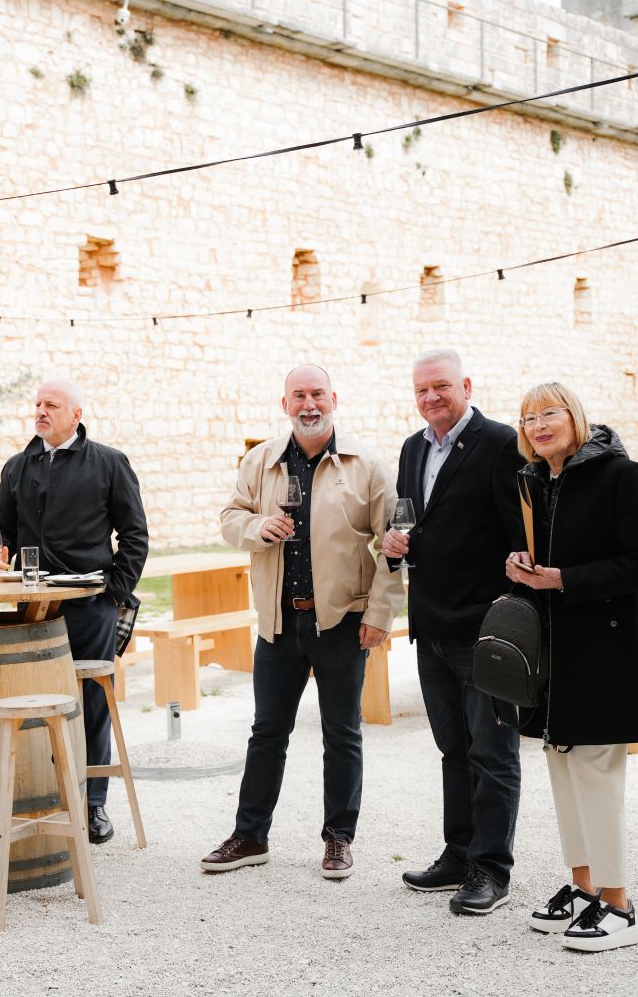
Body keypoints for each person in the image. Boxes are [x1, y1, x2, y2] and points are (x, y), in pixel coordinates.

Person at [201, 364, 404, 880]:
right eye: (299, 395)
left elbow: (395, 544)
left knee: (342, 733)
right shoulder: (260, 460)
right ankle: (250, 836)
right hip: (278, 622)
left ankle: (339, 837)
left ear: (334, 399)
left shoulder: (368, 465)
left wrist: (380, 613)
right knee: (266, 732)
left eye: (317, 394)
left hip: (342, 621)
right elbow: (229, 518)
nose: (309, 404)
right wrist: (256, 525)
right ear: (285, 403)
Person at [505, 382, 638, 952]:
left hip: (606, 651)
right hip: (556, 650)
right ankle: (584, 889)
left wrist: (563, 580)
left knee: (596, 772)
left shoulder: (623, 476)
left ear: (575, 416)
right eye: (528, 418)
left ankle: (620, 905)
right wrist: (524, 563)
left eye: (548, 413)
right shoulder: (535, 481)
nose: (537, 426)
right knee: (562, 764)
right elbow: (550, 559)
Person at [380, 348, 525, 915]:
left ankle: (491, 869)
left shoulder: (502, 443)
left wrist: (509, 611)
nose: (430, 397)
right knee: (453, 750)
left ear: (466, 385)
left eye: (440, 386)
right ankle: (459, 854)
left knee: (493, 753)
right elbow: (408, 520)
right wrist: (393, 544)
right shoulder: (412, 448)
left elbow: (519, 537)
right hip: (431, 625)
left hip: (485, 626)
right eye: (421, 390)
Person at [0, 378, 149, 844]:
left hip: (91, 607)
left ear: (76, 414)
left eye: (52, 405)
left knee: (92, 704)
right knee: (36, 702)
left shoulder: (110, 462)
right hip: (33, 609)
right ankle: (45, 796)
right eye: (37, 404)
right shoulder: (17, 466)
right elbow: (2, 533)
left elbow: (135, 536)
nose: (41, 411)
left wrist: (113, 595)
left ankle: (93, 803)